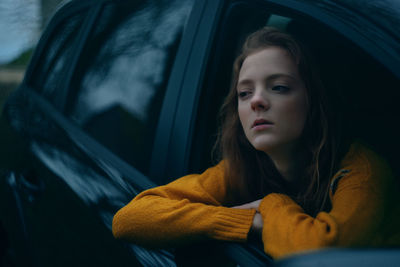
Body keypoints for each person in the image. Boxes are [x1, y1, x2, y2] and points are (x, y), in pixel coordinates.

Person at [112, 27, 400, 259]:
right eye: (245, 93)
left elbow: (321, 255)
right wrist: (247, 222)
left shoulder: (363, 172)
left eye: (279, 87)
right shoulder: (241, 167)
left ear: (314, 101)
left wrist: (271, 205)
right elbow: (129, 218)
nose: (257, 101)